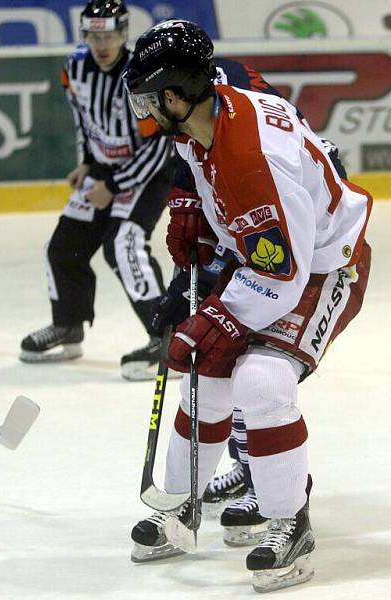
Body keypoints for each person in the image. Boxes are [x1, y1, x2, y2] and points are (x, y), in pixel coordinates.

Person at [124, 20, 372, 592]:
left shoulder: (255, 163)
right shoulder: (209, 114)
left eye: (148, 97)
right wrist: (199, 213)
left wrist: (215, 317)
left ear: (175, 95)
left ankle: (290, 522)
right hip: (273, 256)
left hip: (324, 267)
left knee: (261, 380)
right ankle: (182, 506)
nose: (143, 111)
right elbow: (234, 210)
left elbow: (279, 275)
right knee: (204, 374)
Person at [19, 0, 175, 381]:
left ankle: (167, 340)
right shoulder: (74, 68)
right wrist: (88, 162)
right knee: (63, 247)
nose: (102, 44)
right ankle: (69, 326)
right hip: (103, 171)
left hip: (147, 175)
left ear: (124, 33)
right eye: (94, 36)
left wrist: (114, 185)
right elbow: (84, 121)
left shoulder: (142, 75)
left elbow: (160, 147)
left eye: (110, 35)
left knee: (122, 247)